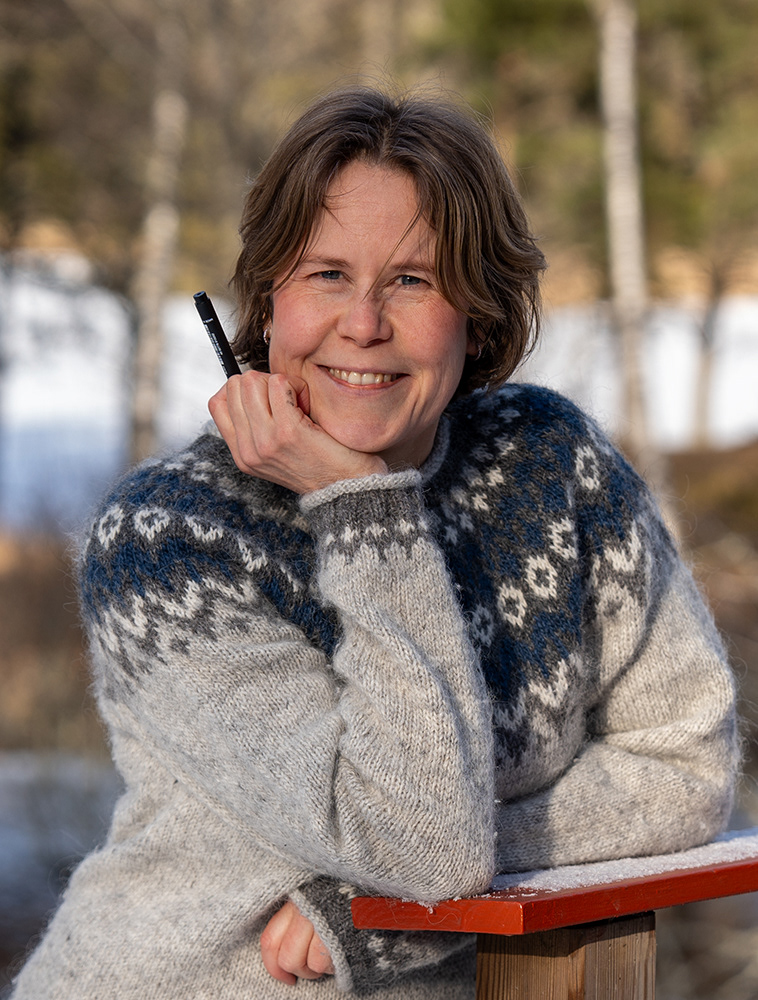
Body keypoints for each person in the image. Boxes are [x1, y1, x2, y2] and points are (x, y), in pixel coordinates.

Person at [11, 86, 738, 999]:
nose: (363, 324)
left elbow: (686, 766)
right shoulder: (167, 548)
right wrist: (362, 507)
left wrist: (372, 914)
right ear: (267, 301)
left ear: (477, 311)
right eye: (326, 274)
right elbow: (422, 849)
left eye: (413, 280)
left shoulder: (552, 465)